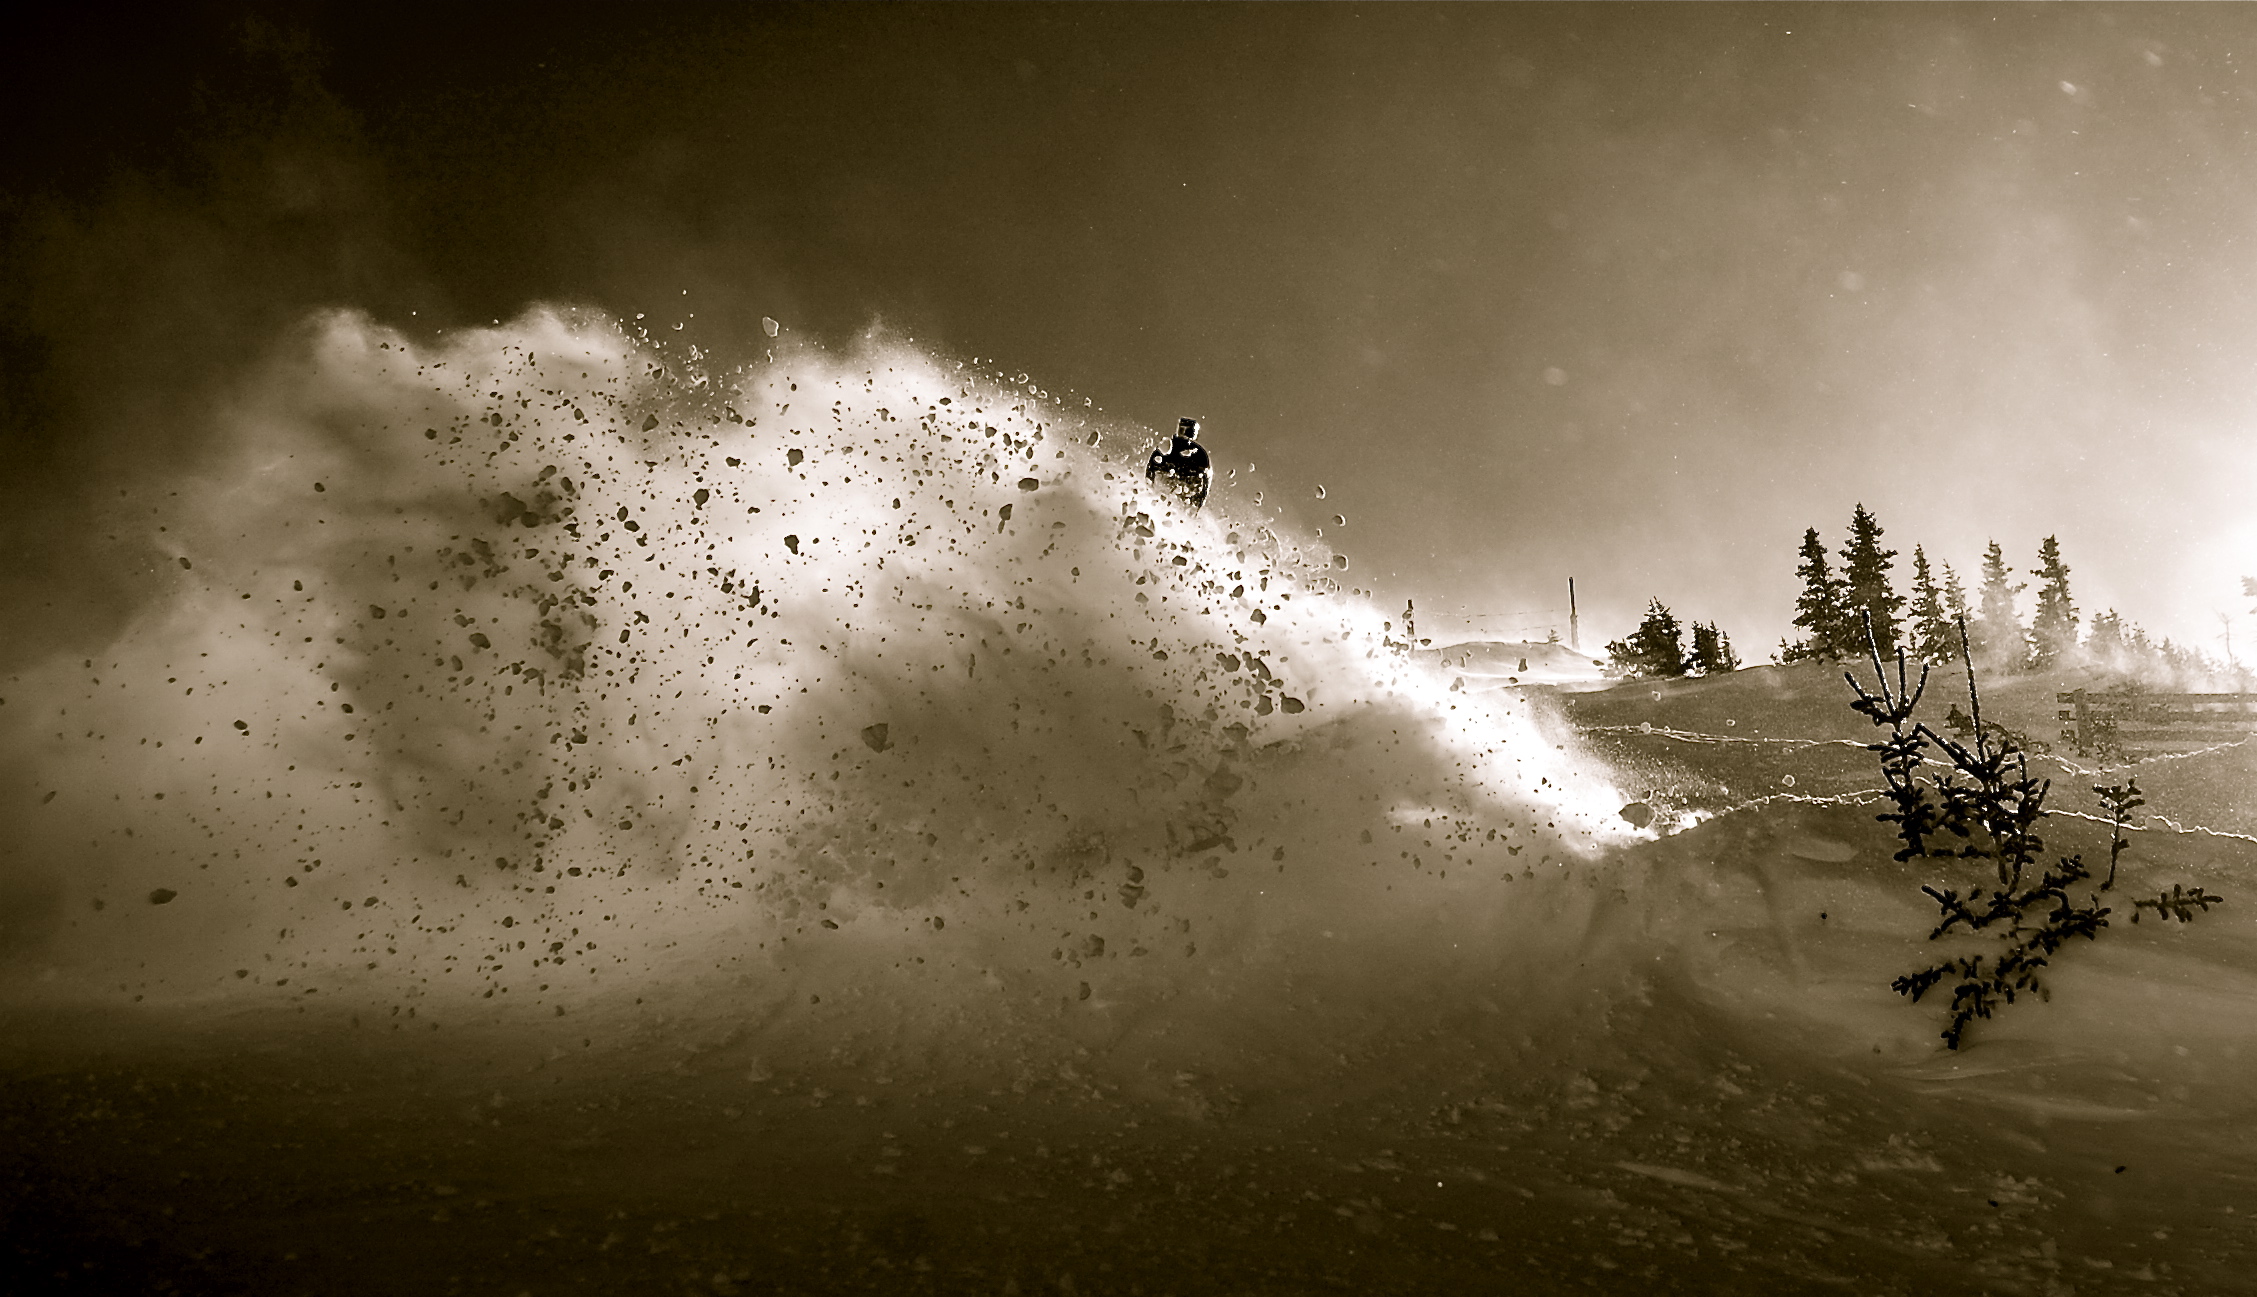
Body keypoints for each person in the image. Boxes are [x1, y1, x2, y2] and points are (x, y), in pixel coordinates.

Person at [1146, 417, 1212, 509]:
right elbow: (1151, 467)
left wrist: (1199, 501)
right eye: (1184, 429)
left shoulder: (1198, 454)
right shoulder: (1168, 447)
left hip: (1184, 493)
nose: (1185, 433)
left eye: (1188, 430)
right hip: (1167, 489)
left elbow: (1206, 477)